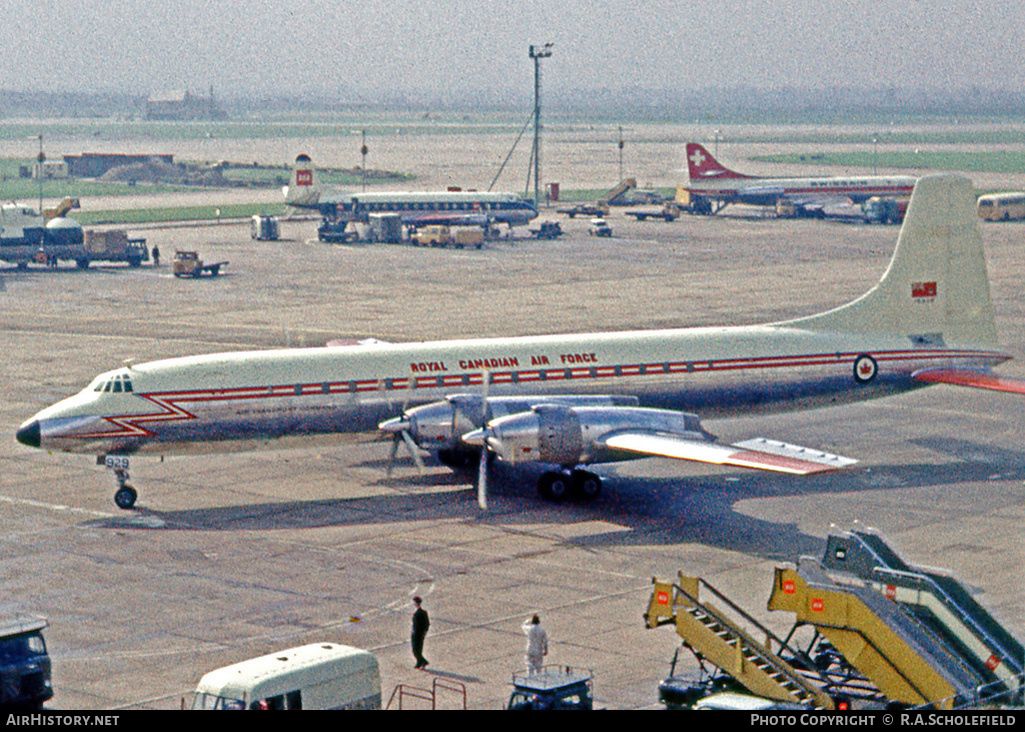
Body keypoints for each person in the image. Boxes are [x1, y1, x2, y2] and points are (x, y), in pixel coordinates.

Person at [411, 596, 430, 669]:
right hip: (416, 633)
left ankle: (422, 661)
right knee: (416, 649)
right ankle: (421, 662)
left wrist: (424, 632)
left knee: (417, 650)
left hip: (418, 634)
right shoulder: (421, 612)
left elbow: (427, 624)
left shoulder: (421, 613)